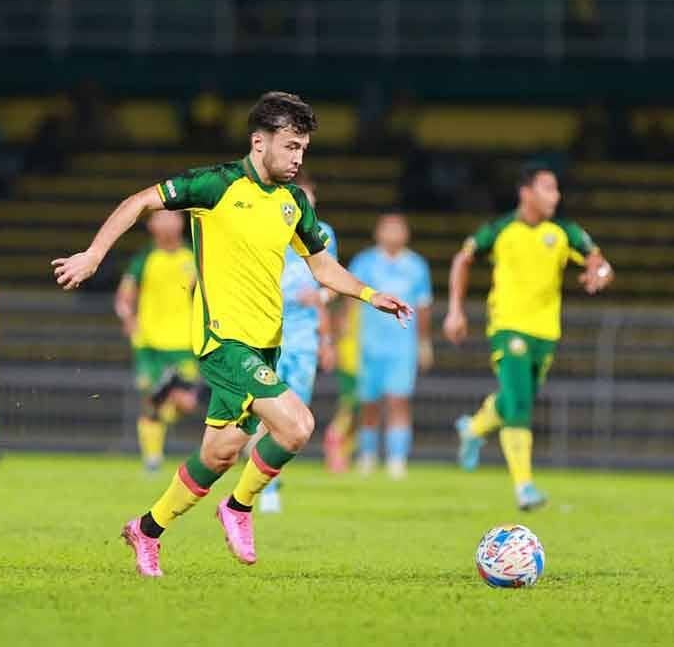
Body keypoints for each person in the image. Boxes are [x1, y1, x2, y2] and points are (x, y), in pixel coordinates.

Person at [51, 91, 413, 577]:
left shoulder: (293, 203)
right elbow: (140, 201)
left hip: (266, 344)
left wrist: (371, 295)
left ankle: (146, 530)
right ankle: (238, 507)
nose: (297, 158)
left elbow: (323, 268)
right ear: (259, 142)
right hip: (223, 342)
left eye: (303, 149)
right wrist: (94, 255)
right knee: (297, 425)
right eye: (290, 146)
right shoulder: (215, 185)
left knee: (219, 453)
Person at [443, 163, 614, 511]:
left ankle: (473, 429)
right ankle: (524, 487)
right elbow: (463, 259)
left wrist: (600, 275)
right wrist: (455, 310)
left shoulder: (564, 231)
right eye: (548, 188)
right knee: (520, 404)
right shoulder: (500, 229)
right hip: (508, 327)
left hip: (546, 332)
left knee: (514, 400)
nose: (556, 195)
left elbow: (599, 262)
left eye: (556, 189)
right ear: (526, 193)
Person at [256, 171, 337, 513]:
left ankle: (267, 478)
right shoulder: (266, 228)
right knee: (267, 412)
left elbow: (332, 284)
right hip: (266, 332)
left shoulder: (324, 234)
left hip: (304, 337)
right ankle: (266, 487)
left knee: (295, 416)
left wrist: (321, 301)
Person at [348, 212, 434, 479]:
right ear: (378, 233)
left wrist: (424, 343)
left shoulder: (417, 266)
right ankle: (367, 455)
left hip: (402, 347)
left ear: (406, 234)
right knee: (369, 403)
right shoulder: (364, 262)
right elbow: (350, 301)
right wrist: (345, 337)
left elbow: (423, 307)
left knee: (399, 401)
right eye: (388, 228)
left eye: (398, 229)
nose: (393, 234)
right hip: (368, 344)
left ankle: (397, 459)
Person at [114, 210, 201, 473]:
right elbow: (124, 296)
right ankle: (152, 459)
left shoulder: (194, 256)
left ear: (181, 222)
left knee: (186, 402)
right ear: (151, 225)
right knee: (151, 399)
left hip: (184, 343)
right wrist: (128, 317)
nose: (167, 222)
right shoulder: (144, 259)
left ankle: (160, 421)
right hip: (149, 344)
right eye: (160, 218)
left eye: (172, 217)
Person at [322, 300, 360, 473]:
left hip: (363, 361)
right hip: (351, 362)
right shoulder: (351, 303)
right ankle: (334, 437)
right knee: (349, 407)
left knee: (358, 411)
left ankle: (343, 452)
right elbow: (339, 327)